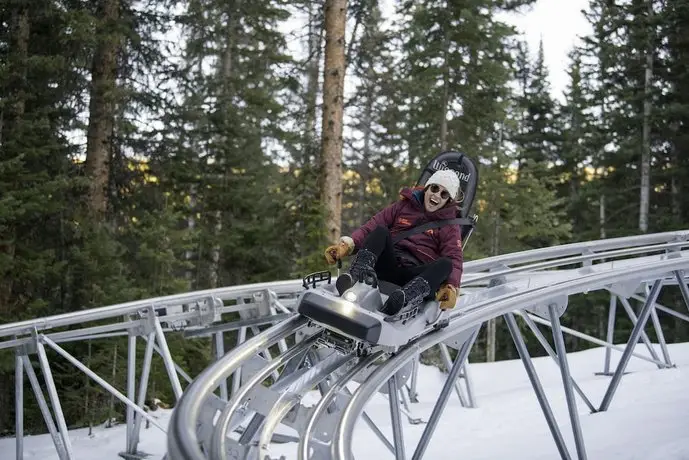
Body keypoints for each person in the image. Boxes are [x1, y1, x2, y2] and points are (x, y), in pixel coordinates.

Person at [325, 169, 463, 316]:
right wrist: (346, 246)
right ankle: (355, 277)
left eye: (444, 194)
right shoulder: (404, 206)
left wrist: (451, 286)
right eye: (435, 188)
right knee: (380, 231)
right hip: (389, 265)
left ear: (448, 201)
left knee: (446, 264)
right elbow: (371, 226)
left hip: (415, 277)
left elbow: (455, 257)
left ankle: (403, 300)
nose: (437, 195)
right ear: (427, 188)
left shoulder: (449, 226)